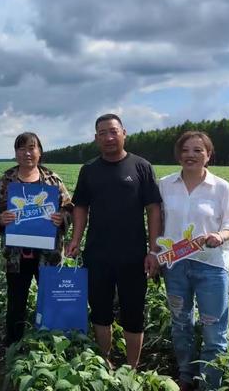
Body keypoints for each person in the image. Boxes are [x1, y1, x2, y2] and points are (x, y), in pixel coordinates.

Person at [66, 113, 162, 369]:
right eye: (102, 133)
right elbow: (81, 206)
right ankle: (105, 363)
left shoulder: (141, 166)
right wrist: (75, 239)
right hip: (97, 253)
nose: (108, 137)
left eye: (113, 131)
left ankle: (132, 367)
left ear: (123, 133)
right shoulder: (89, 170)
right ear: (96, 138)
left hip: (133, 254)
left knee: (134, 312)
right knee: (100, 310)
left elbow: (153, 209)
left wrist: (153, 250)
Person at [159, 131, 229, 391]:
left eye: (197, 150)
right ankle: (185, 375)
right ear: (178, 154)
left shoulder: (221, 187)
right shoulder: (165, 184)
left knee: (213, 331)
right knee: (181, 324)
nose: (190, 155)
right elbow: (156, 222)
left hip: (211, 266)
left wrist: (220, 234)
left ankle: (208, 384)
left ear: (208, 154)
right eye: (185, 150)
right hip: (175, 266)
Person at [0, 132, 73, 346]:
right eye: (22, 148)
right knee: (16, 301)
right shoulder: (7, 180)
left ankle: (49, 343)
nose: (27, 153)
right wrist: (1, 219)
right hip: (16, 256)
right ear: (16, 153)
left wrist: (61, 217)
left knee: (49, 299)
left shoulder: (53, 180)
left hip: (49, 255)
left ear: (40, 152)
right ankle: (14, 345)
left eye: (32, 147)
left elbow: (70, 209)